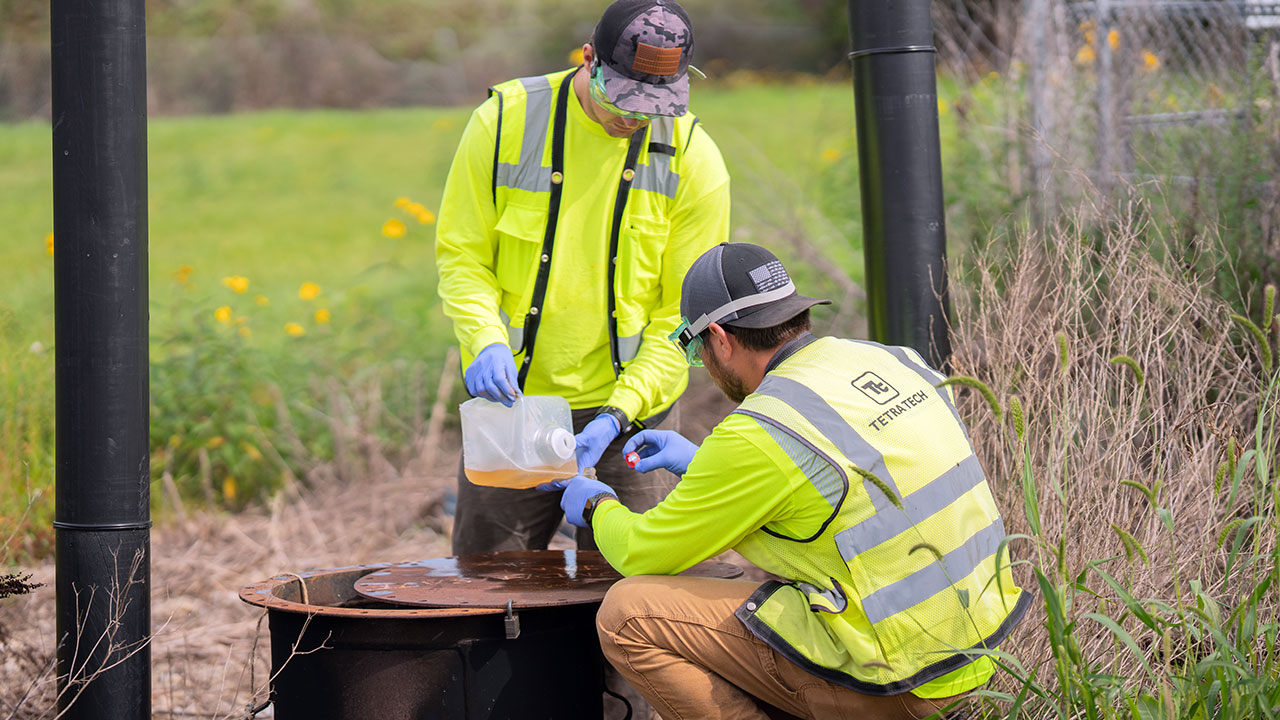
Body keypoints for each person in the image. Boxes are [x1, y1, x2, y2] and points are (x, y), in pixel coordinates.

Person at [546, 243, 1033, 719]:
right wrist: (700, 465)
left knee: (627, 615)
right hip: (979, 653)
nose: (704, 366)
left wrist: (594, 504)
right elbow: (841, 492)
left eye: (695, 351)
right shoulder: (892, 360)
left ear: (719, 337)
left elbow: (640, 552)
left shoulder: (762, 429)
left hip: (897, 681)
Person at [435, 0, 730, 555]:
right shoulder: (503, 123)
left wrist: (620, 412)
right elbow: (463, 256)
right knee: (483, 589)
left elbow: (686, 319)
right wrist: (484, 340)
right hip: (513, 410)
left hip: (634, 420)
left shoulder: (694, 159)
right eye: (623, 98)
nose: (636, 118)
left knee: (634, 595)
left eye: (655, 106)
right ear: (588, 59)